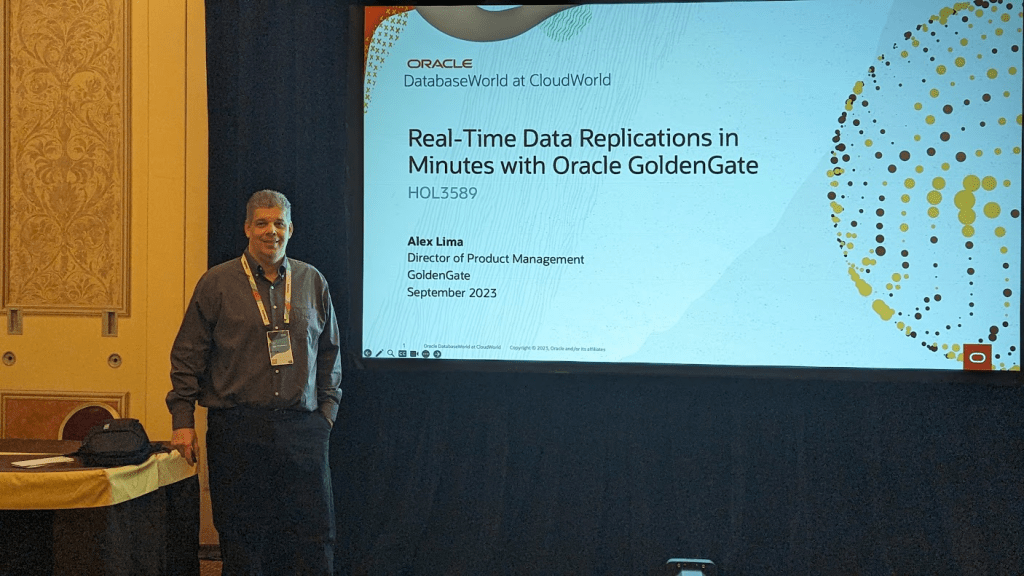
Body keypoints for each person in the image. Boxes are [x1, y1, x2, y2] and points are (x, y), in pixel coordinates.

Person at [167, 190, 342, 575]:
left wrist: (326, 413)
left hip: (302, 430)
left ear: (291, 229)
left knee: (313, 537)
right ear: (247, 228)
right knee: (242, 538)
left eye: (279, 223)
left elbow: (330, 351)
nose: (270, 231)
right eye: (262, 223)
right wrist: (182, 420)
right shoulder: (217, 283)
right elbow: (188, 355)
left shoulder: (312, 281)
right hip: (237, 430)